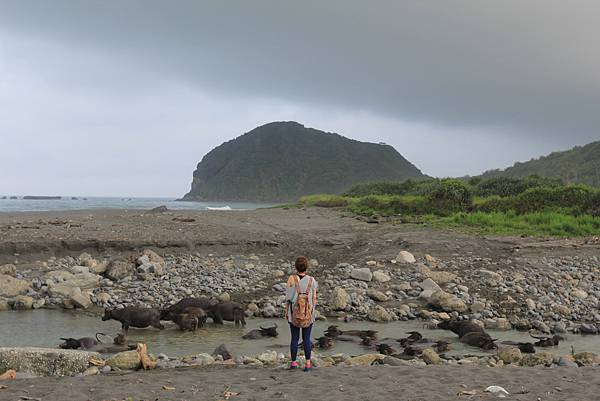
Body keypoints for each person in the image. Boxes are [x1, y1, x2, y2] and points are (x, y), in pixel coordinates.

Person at [285, 256, 318, 372]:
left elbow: (288, 298)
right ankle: (308, 365)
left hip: (294, 313)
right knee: (306, 339)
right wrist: (312, 312)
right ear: (307, 267)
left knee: (294, 339)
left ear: (296, 267)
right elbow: (314, 299)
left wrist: (286, 312)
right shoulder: (312, 280)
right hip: (308, 314)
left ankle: (294, 363)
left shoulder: (291, 279)